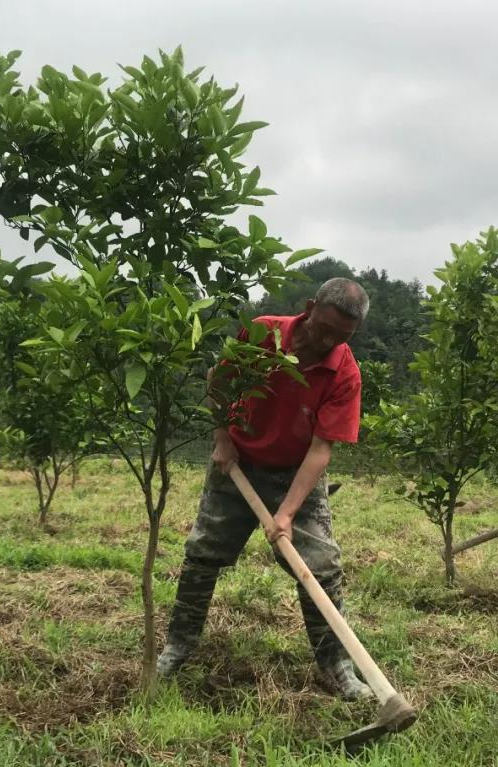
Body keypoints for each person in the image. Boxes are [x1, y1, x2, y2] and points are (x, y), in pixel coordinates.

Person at [157, 278, 371, 700]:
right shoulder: (263, 333)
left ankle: (338, 667)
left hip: (297, 474)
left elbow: (320, 449)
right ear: (310, 307)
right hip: (237, 462)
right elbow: (218, 381)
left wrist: (288, 512)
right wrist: (222, 437)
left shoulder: (344, 370)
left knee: (321, 569)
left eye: (341, 336)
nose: (329, 340)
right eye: (324, 328)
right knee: (202, 556)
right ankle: (178, 646)